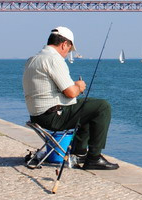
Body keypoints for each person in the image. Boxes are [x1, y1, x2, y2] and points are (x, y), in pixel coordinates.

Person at [23, 26, 118, 170]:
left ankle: (79, 153)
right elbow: (71, 93)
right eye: (69, 49)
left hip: (37, 115)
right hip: (53, 117)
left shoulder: (33, 59)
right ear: (64, 44)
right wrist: (79, 86)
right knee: (102, 106)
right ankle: (94, 157)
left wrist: (73, 88)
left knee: (87, 105)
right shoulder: (54, 59)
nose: (67, 53)